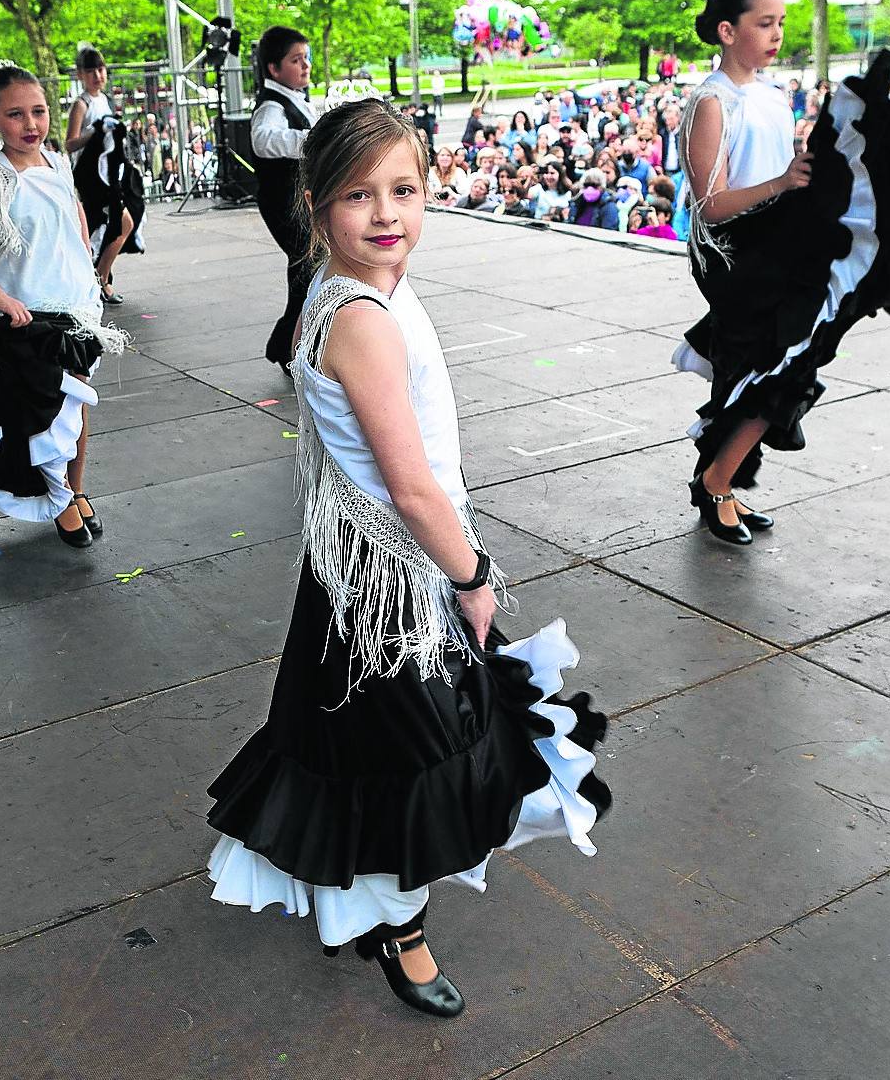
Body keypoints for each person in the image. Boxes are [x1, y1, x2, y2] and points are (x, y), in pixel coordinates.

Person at [204, 96, 610, 1019]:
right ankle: (399, 928)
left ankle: (363, 903)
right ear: (314, 207)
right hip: (392, 583)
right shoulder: (361, 319)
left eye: (405, 190)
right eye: (358, 195)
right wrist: (472, 577)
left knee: (360, 746)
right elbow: (413, 485)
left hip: (356, 571)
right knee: (414, 755)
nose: (386, 214)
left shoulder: (346, 292)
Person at [673, 0, 890, 547]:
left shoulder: (770, 95)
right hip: (734, 254)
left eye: (781, 23)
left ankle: (718, 481)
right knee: (783, 370)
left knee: (775, 370)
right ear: (726, 30)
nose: (775, 34)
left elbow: (788, 181)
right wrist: (784, 182)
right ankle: (716, 484)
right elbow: (711, 208)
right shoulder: (711, 102)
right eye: (764, 23)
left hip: (777, 243)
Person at [0, 61, 129, 548]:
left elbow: (74, 210)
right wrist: (0, 297)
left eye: (38, 111)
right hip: (30, 320)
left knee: (77, 408)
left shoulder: (56, 162)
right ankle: (60, 499)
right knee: (45, 417)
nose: (31, 124)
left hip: (77, 309)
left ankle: (75, 492)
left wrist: (88, 267)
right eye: (16, 114)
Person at [250, 24, 317, 372]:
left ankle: (287, 346)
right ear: (274, 69)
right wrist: (311, 140)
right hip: (283, 201)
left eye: (306, 57)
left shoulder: (297, 100)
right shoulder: (271, 106)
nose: (305, 66)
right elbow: (263, 140)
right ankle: (288, 347)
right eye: (296, 60)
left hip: (299, 201)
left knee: (307, 269)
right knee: (306, 268)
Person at [65, 44, 146, 307]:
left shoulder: (104, 99)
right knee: (118, 224)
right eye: (91, 71)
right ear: (80, 75)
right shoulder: (81, 104)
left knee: (119, 224)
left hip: (109, 174)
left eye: (101, 69)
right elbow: (70, 143)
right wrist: (95, 131)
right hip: (92, 177)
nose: (97, 75)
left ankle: (101, 278)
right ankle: (100, 280)